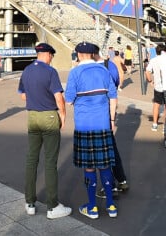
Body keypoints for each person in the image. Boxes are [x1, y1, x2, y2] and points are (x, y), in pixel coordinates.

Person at [18, 42, 71, 220]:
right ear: (48, 54)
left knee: (31, 159)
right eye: (52, 55)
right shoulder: (50, 71)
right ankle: (52, 205)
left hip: (32, 116)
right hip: (48, 116)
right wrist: (62, 116)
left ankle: (30, 202)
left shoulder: (26, 70)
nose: (52, 59)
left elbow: (23, 95)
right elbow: (59, 97)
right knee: (50, 161)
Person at [64, 42, 118, 220]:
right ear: (94, 54)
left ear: (78, 54)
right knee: (105, 164)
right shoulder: (104, 70)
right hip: (103, 124)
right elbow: (113, 97)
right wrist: (111, 119)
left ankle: (92, 207)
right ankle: (111, 205)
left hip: (84, 126)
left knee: (89, 167)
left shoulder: (75, 72)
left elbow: (69, 99)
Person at [93, 51, 129, 198]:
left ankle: (110, 186)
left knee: (102, 151)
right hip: (109, 108)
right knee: (111, 147)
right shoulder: (110, 65)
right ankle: (121, 179)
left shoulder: (89, 69)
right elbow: (115, 83)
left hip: (97, 113)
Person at [145, 42, 166, 131]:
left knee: (156, 105)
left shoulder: (153, 60)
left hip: (157, 86)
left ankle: (154, 124)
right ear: (164, 51)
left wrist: (150, 81)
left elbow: (147, 71)